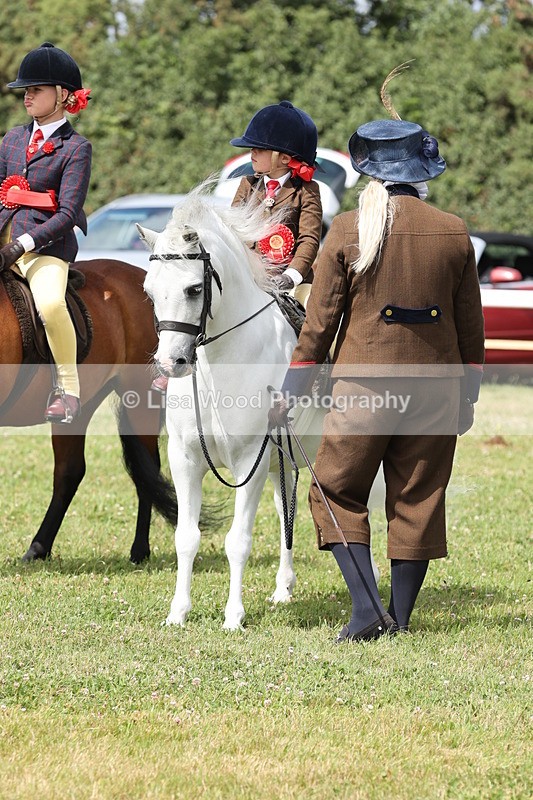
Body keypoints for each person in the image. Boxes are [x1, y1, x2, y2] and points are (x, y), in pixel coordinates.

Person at [268, 116, 485, 642]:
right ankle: (401, 619)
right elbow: (470, 327)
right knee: (419, 498)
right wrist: (468, 397)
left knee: (336, 491)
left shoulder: (346, 230)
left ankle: (367, 611)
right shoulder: (454, 231)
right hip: (436, 392)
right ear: (422, 172)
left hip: (364, 391)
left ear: (370, 171)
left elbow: (318, 326)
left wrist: (291, 393)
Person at [151, 99, 323, 394]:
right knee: (202, 304)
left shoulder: (306, 191)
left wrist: (292, 276)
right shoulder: (248, 185)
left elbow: (309, 239)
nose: (251, 154)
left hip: (291, 279)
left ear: (283, 157)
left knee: (315, 320)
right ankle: (177, 360)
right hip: (250, 275)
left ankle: (318, 379)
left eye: (258, 149)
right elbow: (230, 231)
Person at [0, 42, 92, 423]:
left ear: (64, 95)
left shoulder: (76, 148)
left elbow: (68, 212)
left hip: (45, 248)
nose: (27, 95)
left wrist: (22, 244)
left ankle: (67, 389)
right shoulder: (11, 139)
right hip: (4, 236)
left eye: (36, 88)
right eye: (26, 89)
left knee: (51, 304)